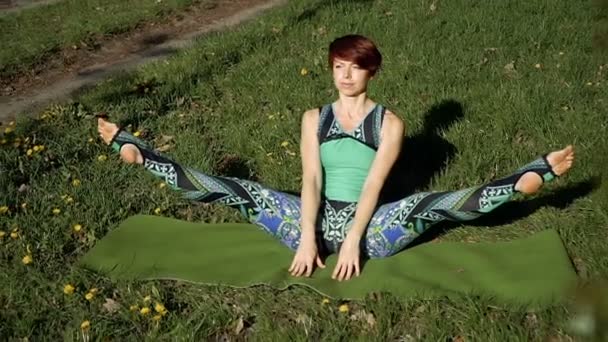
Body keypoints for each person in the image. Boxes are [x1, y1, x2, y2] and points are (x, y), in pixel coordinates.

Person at [97, 34, 575, 282]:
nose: (345, 76)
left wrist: (351, 244)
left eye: (355, 67)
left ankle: (524, 178)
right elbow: (310, 181)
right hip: (314, 222)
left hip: (373, 230)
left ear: (373, 70)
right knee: (241, 192)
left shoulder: (390, 124)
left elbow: (372, 187)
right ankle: (142, 154)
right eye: (338, 67)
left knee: (432, 205)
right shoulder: (313, 118)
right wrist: (308, 238)